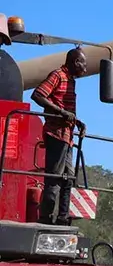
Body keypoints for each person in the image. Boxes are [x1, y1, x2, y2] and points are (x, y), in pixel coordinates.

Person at [31, 47, 87, 225]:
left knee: (69, 178)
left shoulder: (71, 80)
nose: (85, 69)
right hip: (56, 134)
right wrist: (62, 112)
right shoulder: (57, 75)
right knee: (54, 179)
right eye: (84, 64)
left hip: (67, 136)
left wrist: (76, 122)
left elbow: (65, 110)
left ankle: (62, 219)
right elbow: (38, 95)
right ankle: (46, 219)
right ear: (76, 62)